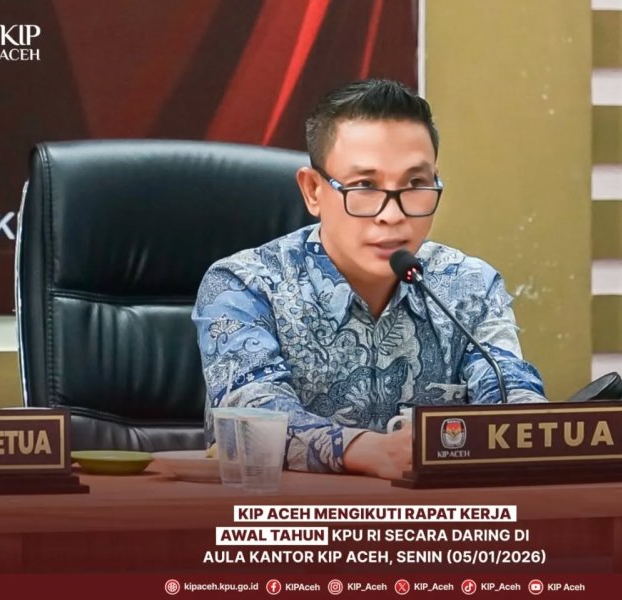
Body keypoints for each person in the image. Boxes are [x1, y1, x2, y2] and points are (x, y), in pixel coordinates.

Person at [192, 79, 545, 480]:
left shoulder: (469, 286)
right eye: (364, 186)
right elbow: (253, 416)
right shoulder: (244, 285)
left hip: (435, 517)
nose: (392, 215)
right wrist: (368, 451)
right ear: (313, 190)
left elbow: (510, 397)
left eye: (415, 184)